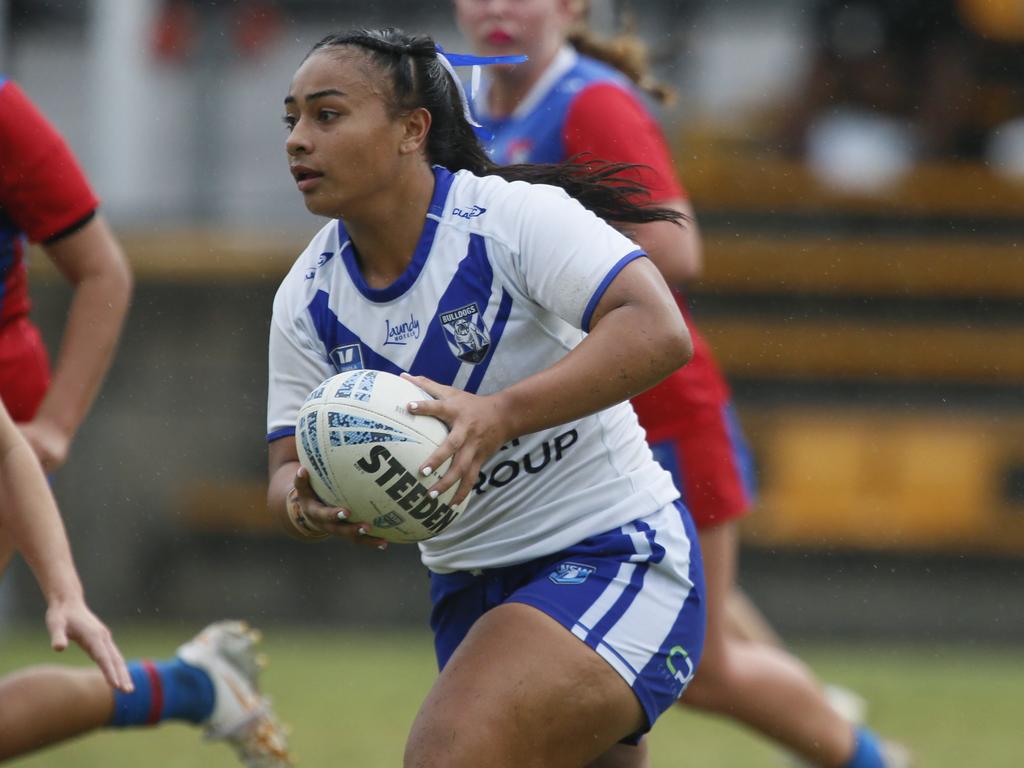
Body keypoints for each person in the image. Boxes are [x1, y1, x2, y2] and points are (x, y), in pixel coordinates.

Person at [453, 1, 907, 766]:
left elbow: (677, 250)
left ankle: (871, 758)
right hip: (574, 430)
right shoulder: (465, 105)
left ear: (571, 7)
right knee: (609, 663)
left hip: (659, 418)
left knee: (698, 663)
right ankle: (833, 722)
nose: (497, 7)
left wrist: (539, 284)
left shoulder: (589, 101)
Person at [268, 26, 705, 768]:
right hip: (468, 593)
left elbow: (659, 330)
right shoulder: (307, 297)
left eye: (328, 115)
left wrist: (499, 416)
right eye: (292, 120)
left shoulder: (506, 220)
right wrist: (305, 505)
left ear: (412, 130)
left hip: (613, 554)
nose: (298, 141)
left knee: (448, 753)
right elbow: (283, 467)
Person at [0, 78, 291, 767]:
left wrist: (57, 427)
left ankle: (190, 685)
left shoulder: (3, 116)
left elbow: (105, 272)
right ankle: (191, 685)